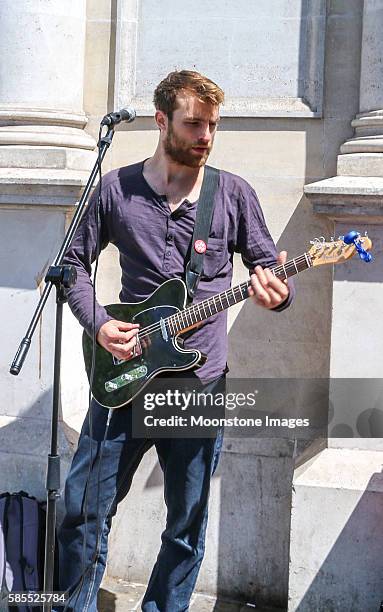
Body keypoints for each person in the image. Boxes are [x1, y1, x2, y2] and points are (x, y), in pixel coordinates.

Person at [57, 70, 294, 611]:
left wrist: (275, 294)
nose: (206, 135)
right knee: (84, 506)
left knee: (185, 522)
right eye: (193, 124)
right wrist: (98, 323)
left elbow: (270, 273)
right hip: (124, 378)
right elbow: (71, 264)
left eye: (212, 125)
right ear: (161, 122)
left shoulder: (232, 193)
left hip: (197, 383)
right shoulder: (115, 188)